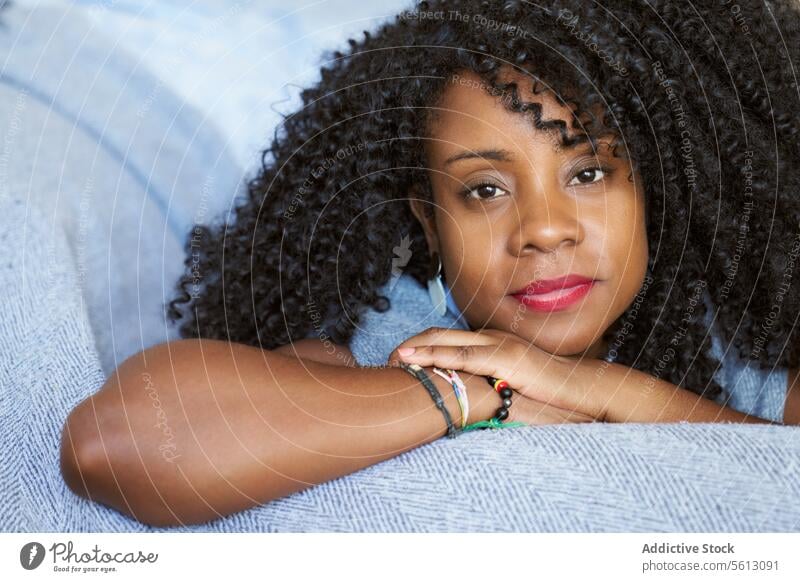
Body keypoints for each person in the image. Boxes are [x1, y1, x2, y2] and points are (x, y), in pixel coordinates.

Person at [60, 0, 800, 527]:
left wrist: (602, 391)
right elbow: (112, 444)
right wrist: (481, 394)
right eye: (484, 190)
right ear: (430, 222)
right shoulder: (400, 341)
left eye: (588, 174)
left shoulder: (744, 347)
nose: (544, 230)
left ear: (656, 189)